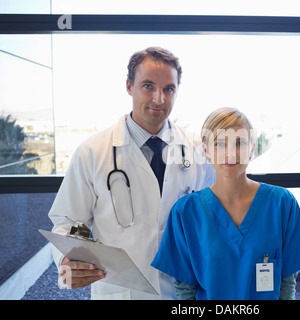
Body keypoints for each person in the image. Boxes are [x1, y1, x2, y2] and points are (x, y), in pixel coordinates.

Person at [48, 47, 215, 300]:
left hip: (185, 294)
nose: (159, 98)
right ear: (129, 86)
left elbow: (218, 218)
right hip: (120, 292)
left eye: (169, 89)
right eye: (148, 86)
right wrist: (66, 260)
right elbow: (69, 223)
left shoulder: (198, 150)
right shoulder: (92, 152)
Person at [151, 107, 300, 300]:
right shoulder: (185, 213)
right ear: (206, 151)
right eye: (220, 144)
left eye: (239, 143)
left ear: (252, 149)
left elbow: (287, 284)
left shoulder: (282, 204)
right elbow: (185, 292)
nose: (230, 153)